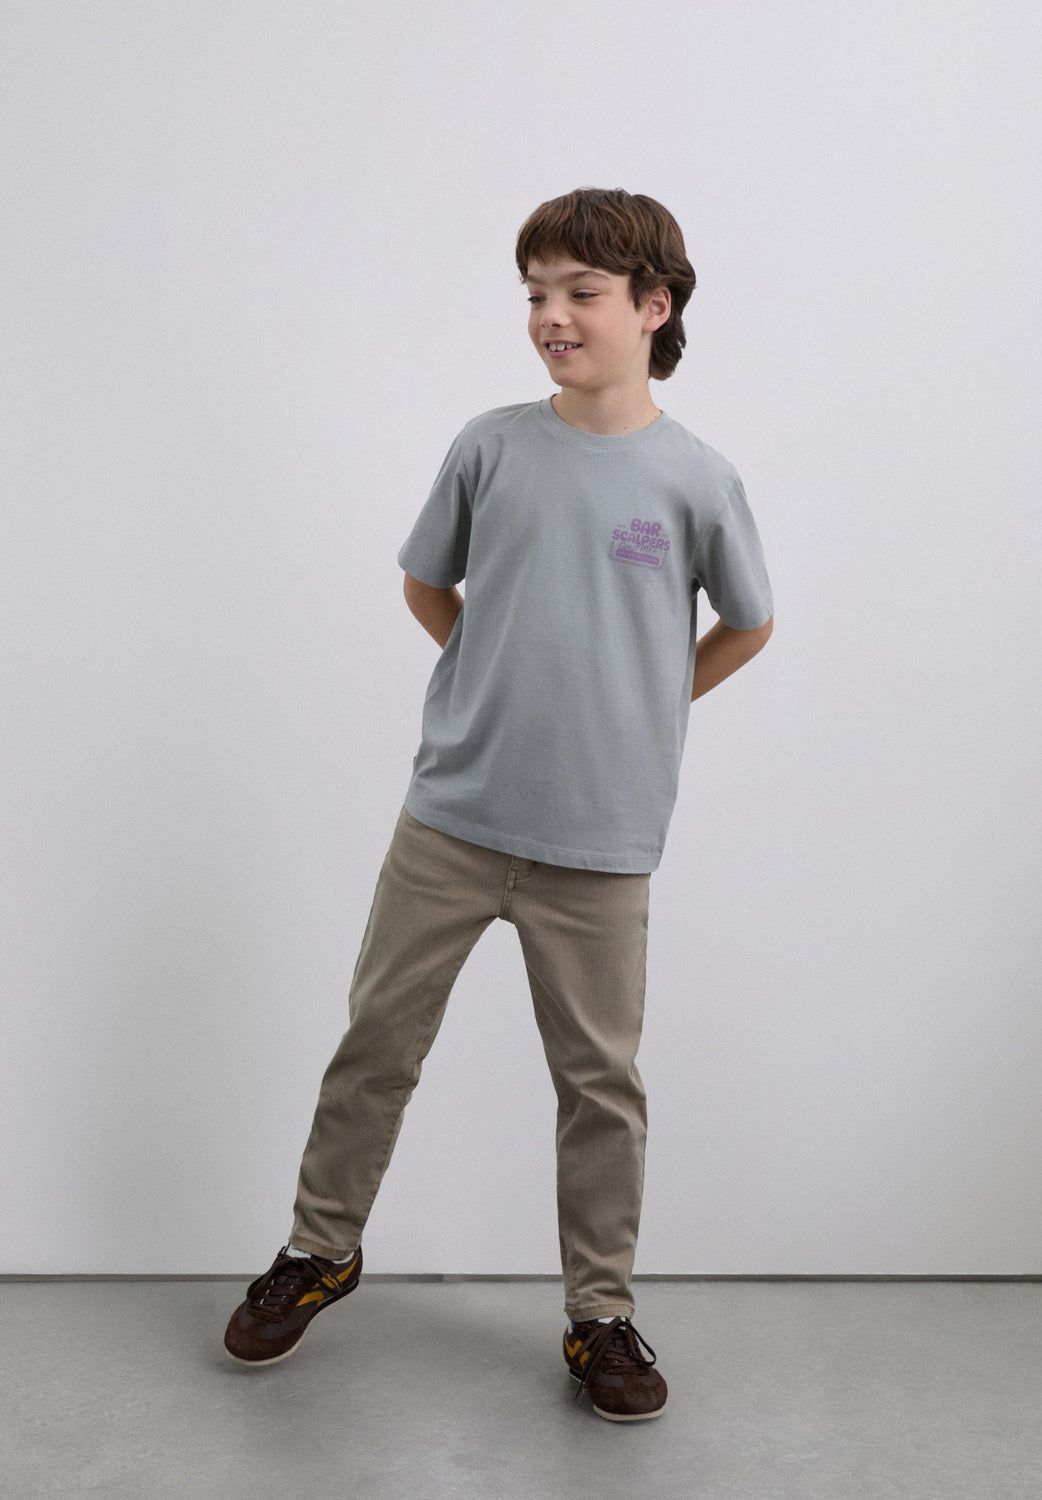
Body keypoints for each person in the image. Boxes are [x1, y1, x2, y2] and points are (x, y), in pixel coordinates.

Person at [224, 187, 773, 1422]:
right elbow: (428, 584)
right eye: (535, 294)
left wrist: (651, 701)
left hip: (601, 840)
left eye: (581, 292)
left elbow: (749, 621)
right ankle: (319, 1248)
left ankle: (600, 1316)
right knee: (377, 1044)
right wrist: (488, 671)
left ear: (653, 306)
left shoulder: (697, 480)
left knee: (599, 1085)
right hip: (451, 820)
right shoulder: (491, 447)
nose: (550, 317)